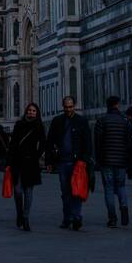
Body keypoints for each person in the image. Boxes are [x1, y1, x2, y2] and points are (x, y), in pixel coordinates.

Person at [46, 95, 92, 231]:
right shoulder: (57, 121)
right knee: (65, 191)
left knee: (76, 191)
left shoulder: (81, 121)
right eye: (66, 107)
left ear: (75, 106)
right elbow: (50, 142)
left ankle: (76, 217)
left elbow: (87, 142)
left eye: (70, 107)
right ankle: (67, 217)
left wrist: (84, 159)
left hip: (77, 163)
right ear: (63, 107)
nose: (68, 109)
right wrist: (49, 160)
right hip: (62, 162)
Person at [94, 95, 131, 228]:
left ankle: (113, 218)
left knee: (109, 188)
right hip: (121, 160)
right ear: (117, 105)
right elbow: (128, 142)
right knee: (121, 186)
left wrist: (98, 159)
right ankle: (124, 205)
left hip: (106, 160)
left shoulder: (102, 120)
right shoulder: (125, 121)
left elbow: (97, 142)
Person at [7, 102, 45, 232]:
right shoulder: (19, 125)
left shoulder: (39, 126)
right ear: (26, 111)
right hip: (17, 162)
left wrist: (36, 155)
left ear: (37, 113)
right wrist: (9, 161)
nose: (31, 113)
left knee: (28, 192)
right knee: (18, 191)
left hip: (31, 163)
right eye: (29, 110)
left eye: (34, 111)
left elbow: (43, 143)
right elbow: (13, 144)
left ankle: (26, 217)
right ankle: (19, 213)